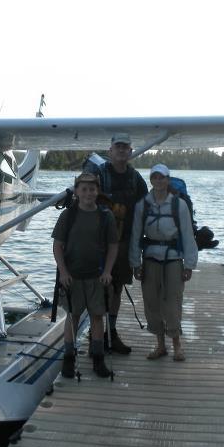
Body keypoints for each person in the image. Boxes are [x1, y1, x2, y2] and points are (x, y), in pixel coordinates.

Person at [86, 133, 148, 354]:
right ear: (110, 151)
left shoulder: (135, 178)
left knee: (117, 288)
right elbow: (83, 199)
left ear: (131, 152)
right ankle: (96, 335)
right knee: (100, 289)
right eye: (117, 147)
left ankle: (111, 333)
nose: (121, 150)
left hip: (123, 242)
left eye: (125, 147)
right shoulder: (98, 174)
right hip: (100, 242)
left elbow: (147, 206)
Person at [128, 163, 198, 362]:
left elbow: (187, 235)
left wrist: (189, 264)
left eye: (162, 178)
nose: (159, 181)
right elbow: (135, 235)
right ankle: (160, 345)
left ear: (168, 180)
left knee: (173, 302)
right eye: (155, 177)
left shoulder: (179, 205)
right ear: (151, 180)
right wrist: (135, 263)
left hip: (174, 258)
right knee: (152, 302)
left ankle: (177, 344)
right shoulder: (143, 205)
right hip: (150, 258)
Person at [52, 172, 119, 378]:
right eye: (84, 189)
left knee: (97, 317)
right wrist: (63, 272)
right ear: (77, 192)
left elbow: (113, 246)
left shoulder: (105, 216)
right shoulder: (68, 215)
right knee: (72, 317)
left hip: (96, 276)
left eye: (92, 189)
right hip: (72, 276)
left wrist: (108, 271)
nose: (88, 193)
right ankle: (69, 359)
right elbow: (57, 246)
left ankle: (98, 359)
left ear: (97, 191)